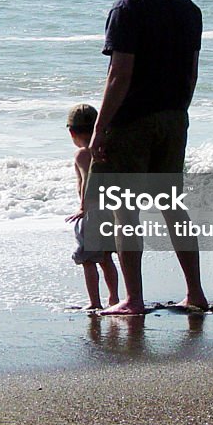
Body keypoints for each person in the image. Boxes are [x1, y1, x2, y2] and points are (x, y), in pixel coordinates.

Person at [88, 0, 209, 315]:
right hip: (174, 116)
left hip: (133, 120)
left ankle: (134, 299)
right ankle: (195, 292)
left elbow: (119, 75)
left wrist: (99, 127)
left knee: (126, 210)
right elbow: (191, 72)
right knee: (172, 206)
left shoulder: (128, 8)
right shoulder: (188, 8)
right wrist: (179, 113)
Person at [64, 104, 120, 310]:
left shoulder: (82, 154)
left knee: (88, 260)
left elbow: (88, 179)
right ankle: (114, 298)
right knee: (106, 258)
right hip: (109, 210)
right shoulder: (106, 149)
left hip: (92, 211)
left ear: (72, 132)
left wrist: (82, 207)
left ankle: (94, 302)